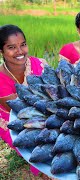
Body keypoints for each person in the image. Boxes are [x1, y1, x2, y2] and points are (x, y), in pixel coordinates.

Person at [0, 24, 47, 176]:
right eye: (12, 47)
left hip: (40, 108)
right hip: (12, 117)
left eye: (23, 45)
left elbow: (52, 90)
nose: (20, 52)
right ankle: (42, 170)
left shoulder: (38, 64)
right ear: (1, 51)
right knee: (35, 146)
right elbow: (17, 110)